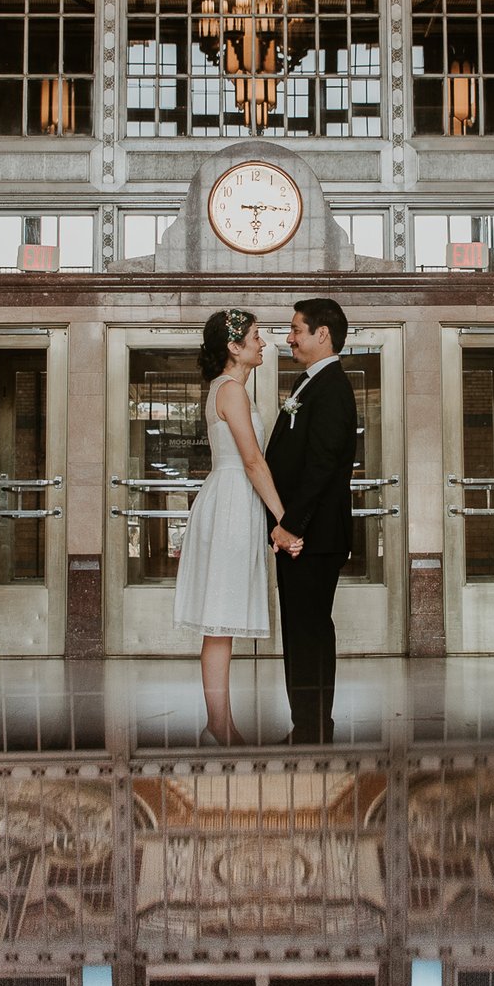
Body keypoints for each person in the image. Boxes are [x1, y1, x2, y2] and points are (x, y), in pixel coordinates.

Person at [173, 308, 290, 745]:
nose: (263, 343)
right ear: (233, 347)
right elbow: (252, 460)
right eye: (256, 337)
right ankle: (219, 726)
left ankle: (221, 724)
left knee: (219, 623)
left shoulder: (227, 389)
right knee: (219, 621)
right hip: (230, 504)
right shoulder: (232, 392)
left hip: (229, 500)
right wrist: (283, 516)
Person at [261, 297, 357, 743]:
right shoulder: (309, 382)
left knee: (310, 631)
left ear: (323, 334)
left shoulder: (332, 386)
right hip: (303, 533)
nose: (289, 337)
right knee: (299, 632)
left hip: (314, 535)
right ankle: (307, 723)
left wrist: (291, 526)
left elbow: (322, 464)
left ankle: (314, 726)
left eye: (297, 329)